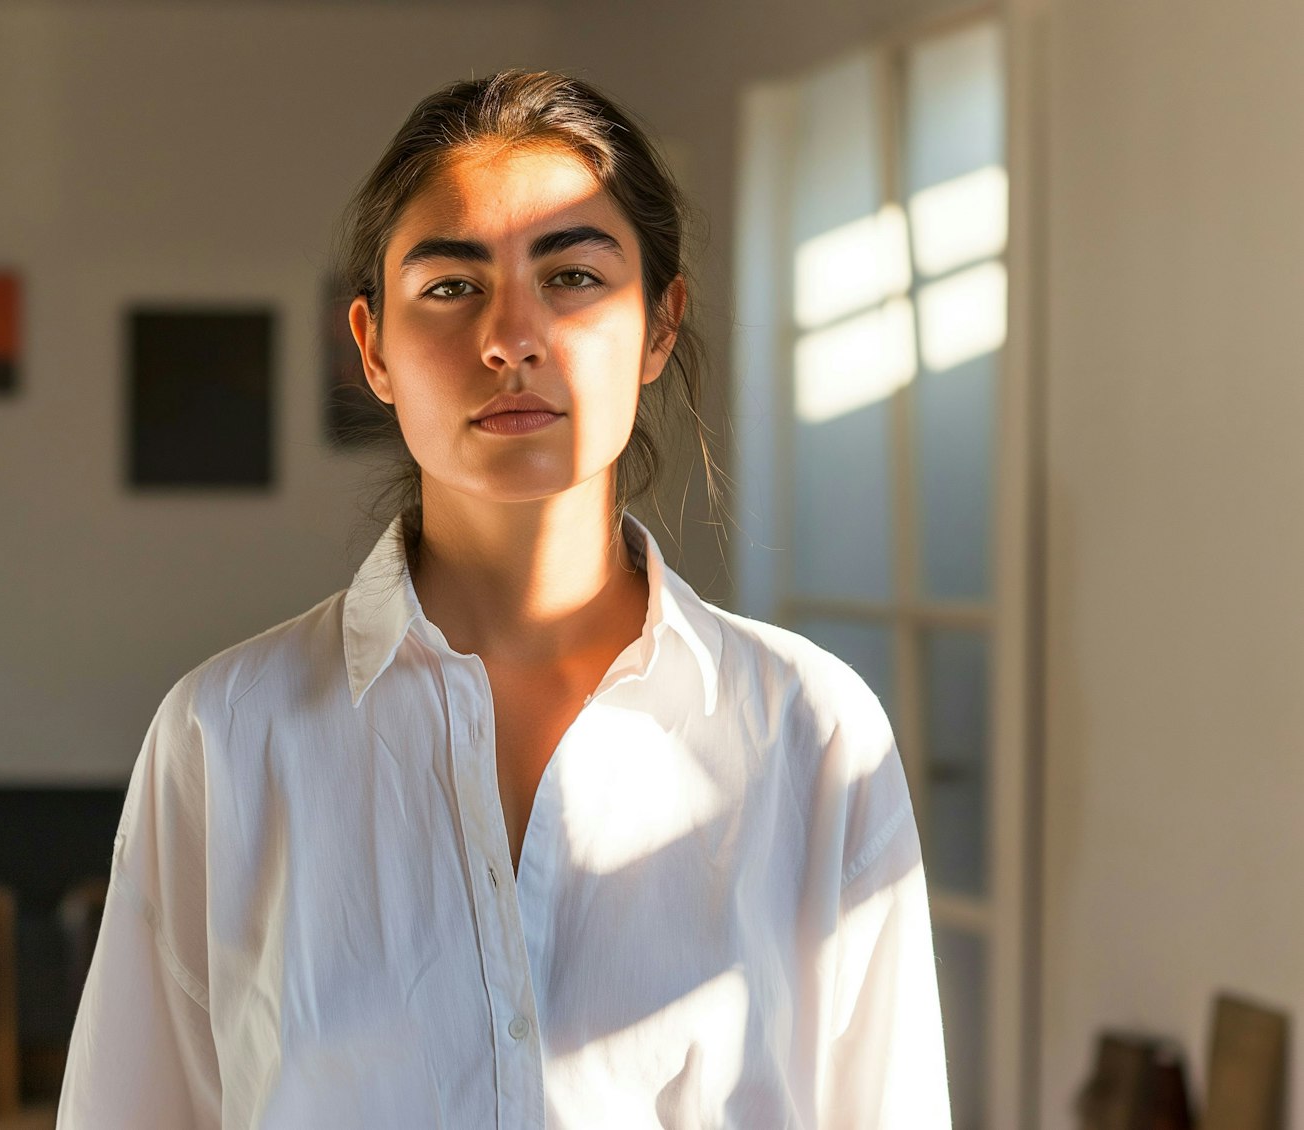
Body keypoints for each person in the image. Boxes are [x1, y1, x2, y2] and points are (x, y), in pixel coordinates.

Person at [58, 70, 951, 1129]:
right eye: (449, 286)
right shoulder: (225, 734)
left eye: (572, 275)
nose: (508, 337)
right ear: (373, 346)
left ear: (662, 324)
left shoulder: (811, 728)